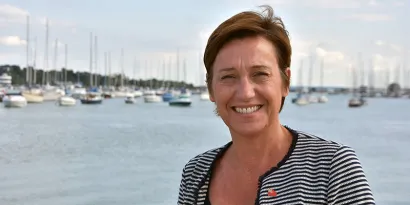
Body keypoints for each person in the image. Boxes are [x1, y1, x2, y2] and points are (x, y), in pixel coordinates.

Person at [177, 5, 375, 205]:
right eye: (228, 77)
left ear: (285, 82)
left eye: (260, 74)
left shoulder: (333, 167)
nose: (245, 93)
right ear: (211, 89)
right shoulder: (195, 174)